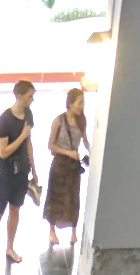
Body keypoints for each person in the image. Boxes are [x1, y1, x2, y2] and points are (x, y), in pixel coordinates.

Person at [0, 81, 39, 270]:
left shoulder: (28, 114)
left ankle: (9, 247)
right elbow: (3, 152)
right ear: (19, 96)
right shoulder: (5, 119)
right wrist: (22, 135)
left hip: (21, 171)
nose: (32, 100)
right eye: (29, 96)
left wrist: (34, 168)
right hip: (5, 173)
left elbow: (29, 143)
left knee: (15, 209)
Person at [44, 88, 91, 247]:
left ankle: (73, 230)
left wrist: (92, 150)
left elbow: (84, 140)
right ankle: (52, 230)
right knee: (56, 196)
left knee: (73, 196)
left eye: (82, 103)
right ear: (70, 103)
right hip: (60, 163)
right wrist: (68, 153)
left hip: (73, 165)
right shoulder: (59, 121)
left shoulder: (81, 121)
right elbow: (51, 146)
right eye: (79, 103)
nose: (81, 106)